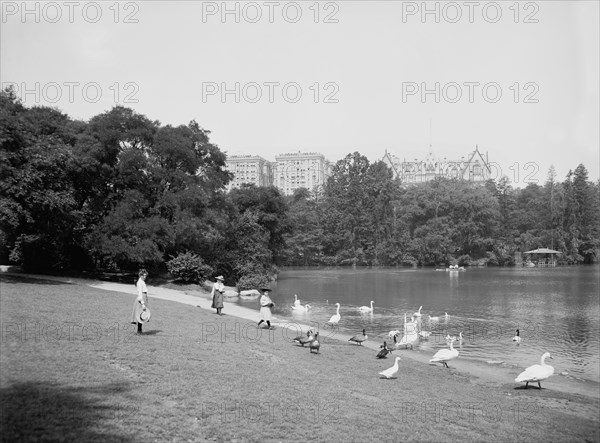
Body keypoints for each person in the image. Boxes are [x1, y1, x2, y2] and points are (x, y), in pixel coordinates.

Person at [131, 269, 149, 334]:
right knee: (140, 315)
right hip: (141, 300)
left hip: (144, 298)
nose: (144, 277)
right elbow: (140, 294)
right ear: (140, 275)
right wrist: (143, 304)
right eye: (143, 276)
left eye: (145, 276)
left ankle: (140, 330)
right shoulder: (139, 282)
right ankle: (139, 330)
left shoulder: (142, 282)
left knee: (142, 315)